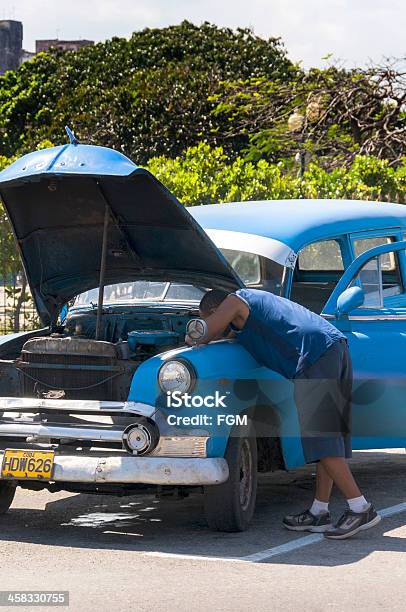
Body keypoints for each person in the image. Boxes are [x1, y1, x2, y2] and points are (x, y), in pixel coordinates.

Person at [185, 287, 381, 540]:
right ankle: (319, 510)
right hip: (333, 347)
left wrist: (193, 334)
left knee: (320, 440)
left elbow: (205, 332)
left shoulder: (234, 300)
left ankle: (360, 507)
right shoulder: (254, 302)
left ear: (215, 310)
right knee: (327, 436)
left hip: (314, 355)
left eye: (209, 315)